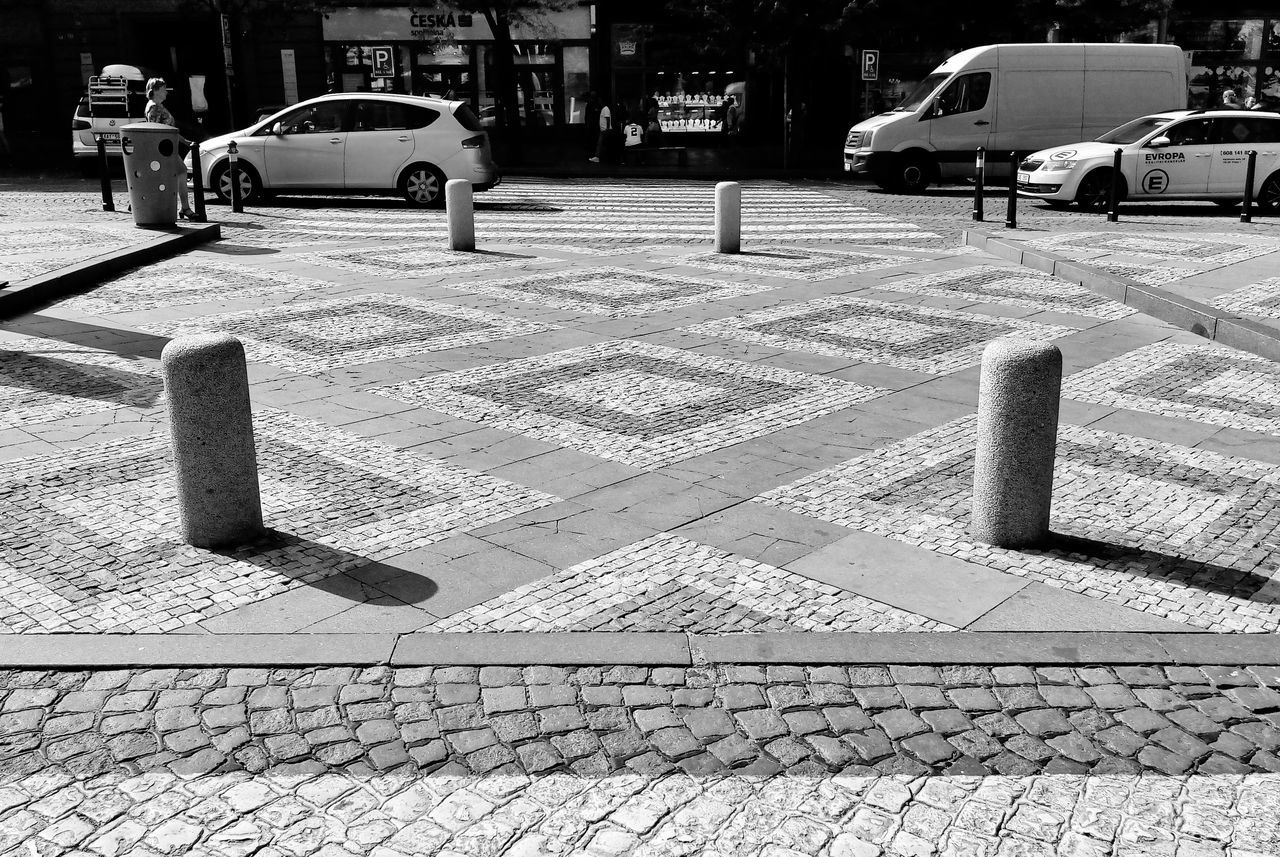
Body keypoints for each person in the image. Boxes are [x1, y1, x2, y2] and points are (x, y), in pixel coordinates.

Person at [144, 78, 194, 219]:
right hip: (163, 149)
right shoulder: (154, 107)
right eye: (164, 89)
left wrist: (183, 140)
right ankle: (185, 208)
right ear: (156, 90)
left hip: (166, 147)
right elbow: (155, 130)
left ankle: (184, 208)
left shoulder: (156, 106)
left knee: (170, 175)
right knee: (180, 171)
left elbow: (169, 129)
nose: (166, 92)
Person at [588, 95, 613, 163]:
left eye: (600, 100)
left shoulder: (606, 109)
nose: (599, 102)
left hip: (605, 130)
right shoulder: (604, 109)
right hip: (604, 130)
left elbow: (608, 119)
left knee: (600, 144)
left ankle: (597, 157)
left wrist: (607, 128)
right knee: (601, 144)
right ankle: (599, 157)